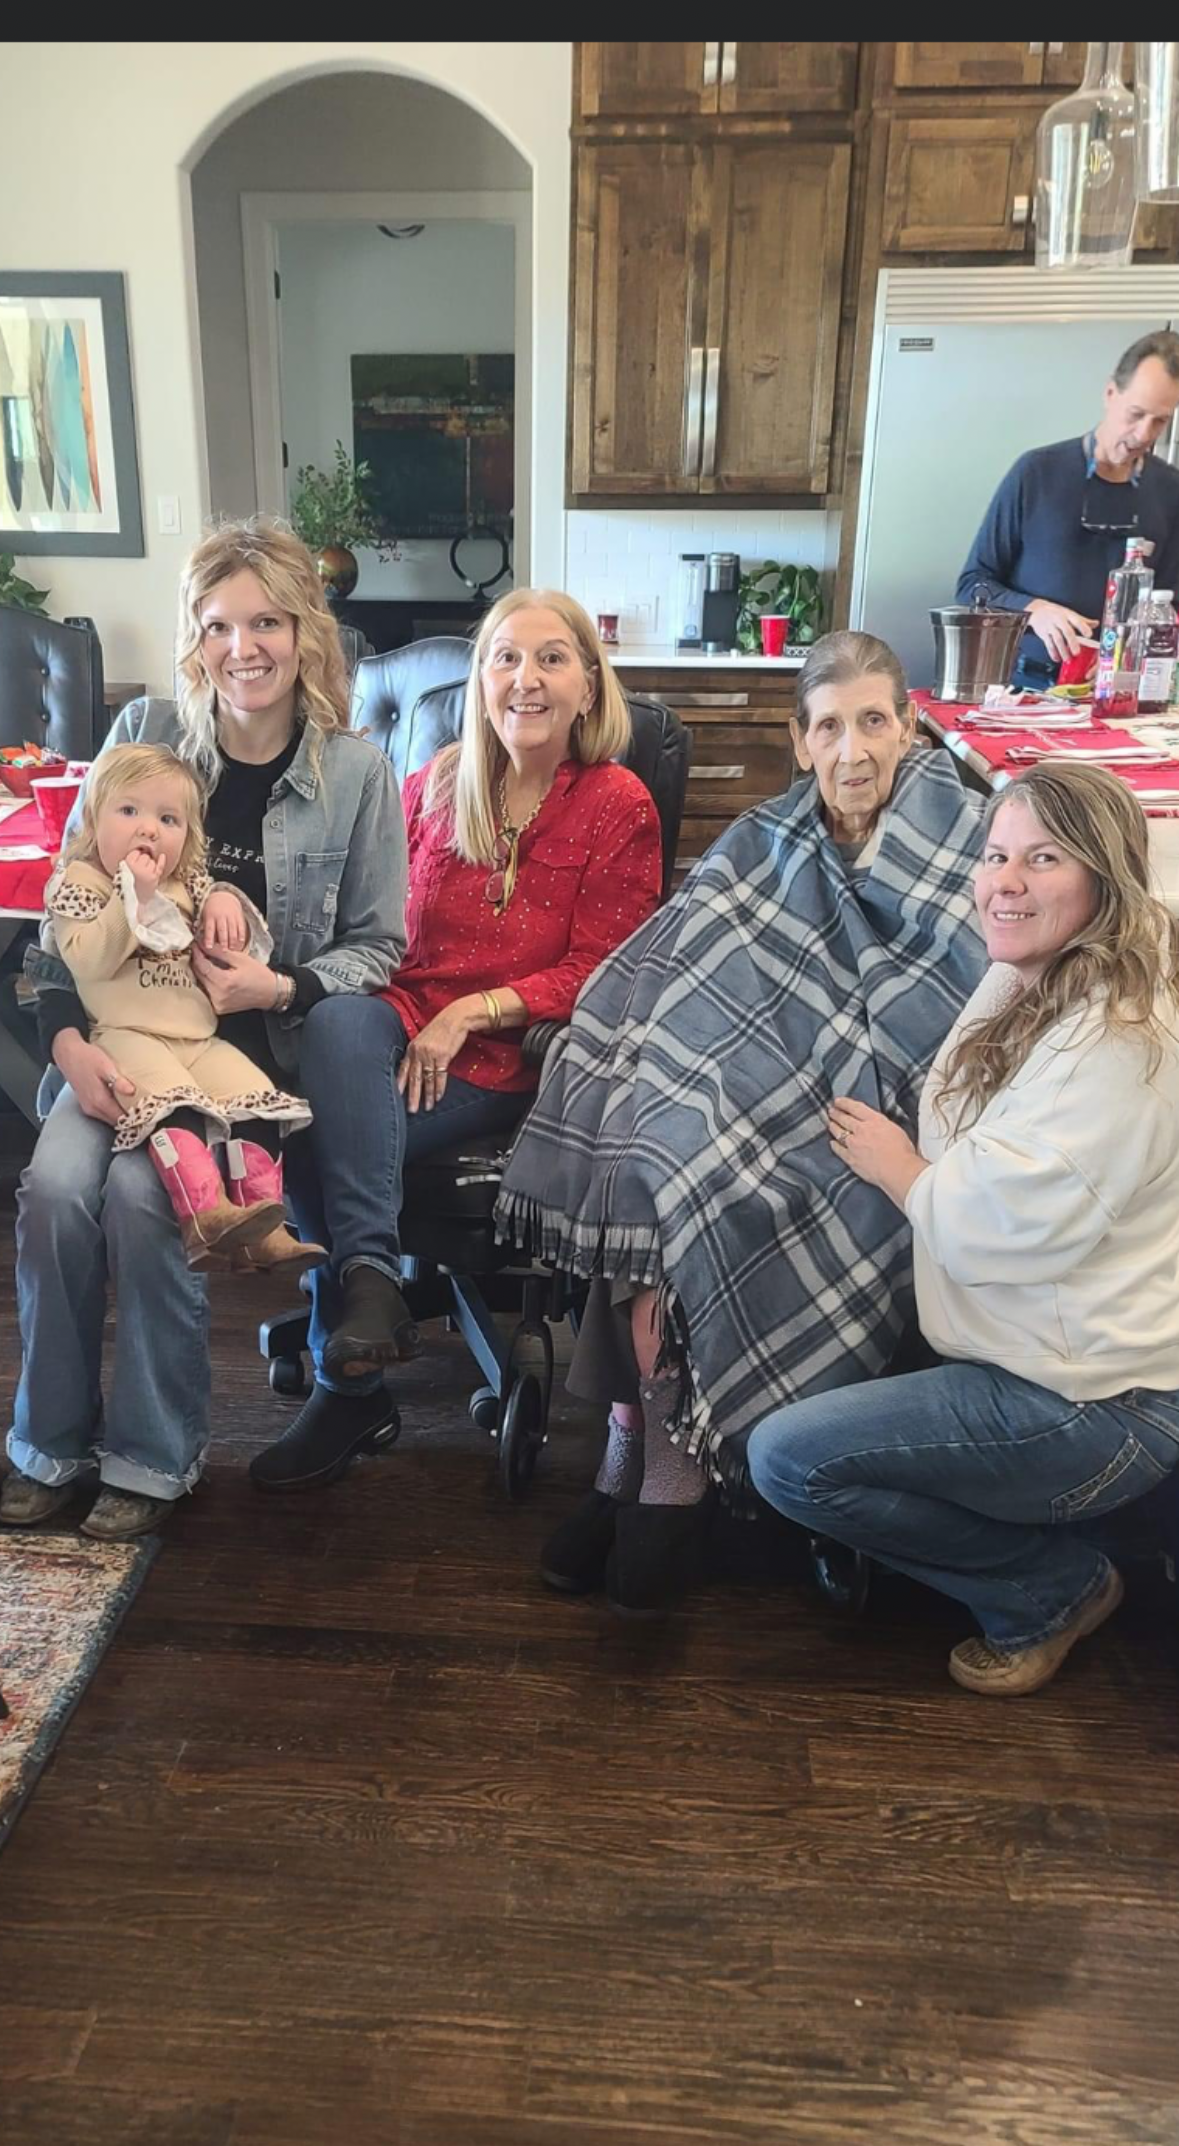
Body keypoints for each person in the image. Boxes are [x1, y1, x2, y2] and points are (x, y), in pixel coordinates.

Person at [496, 632, 988, 1618]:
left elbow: (955, 1005)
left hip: (877, 1112)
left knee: (707, 1187)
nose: (854, 751)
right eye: (829, 727)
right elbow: (673, 968)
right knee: (645, 1156)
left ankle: (672, 1470)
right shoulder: (767, 837)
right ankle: (630, 1453)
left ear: (910, 728)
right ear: (800, 744)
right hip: (748, 1080)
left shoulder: (966, 836)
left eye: (875, 722)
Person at [2, 518, 408, 1538]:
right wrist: (67, 1049)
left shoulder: (357, 773)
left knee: (143, 1201)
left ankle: (152, 1458)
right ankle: (48, 1446)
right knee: (54, 1190)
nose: (245, 648)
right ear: (194, 637)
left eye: (267, 620)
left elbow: (377, 947)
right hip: (104, 1046)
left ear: (303, 632)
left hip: (228, 1067)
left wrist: (277, 987)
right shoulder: (143, 728)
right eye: (220, 625)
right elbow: (67, 904)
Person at [747, 761, 1179, 1698]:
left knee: (787, 1459)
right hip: (1057, 1353)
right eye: (992, 855)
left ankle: (1050, 1588)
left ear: (1105, 880)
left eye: (1042, 859)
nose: (1002, 882)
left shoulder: (1114, 1048)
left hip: (1089, 1405)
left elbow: (991, 1224)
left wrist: (897, 1166)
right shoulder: (1052, 975)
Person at [238, 586, 664, 1490]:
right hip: (386, 1028)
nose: (525, 679)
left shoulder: (616, 802)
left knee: (318, 1138)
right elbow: (370, 931)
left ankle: (348, 1390)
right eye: (504, 658)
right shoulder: (430, 782)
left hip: (509, 1055)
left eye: (551, 658)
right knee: (336, 1017)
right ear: (479, 681)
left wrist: (471, 1011)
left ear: (588, 685)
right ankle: (368, 1280)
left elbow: (609, 968)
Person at [46, 742, 321, 1268]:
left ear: (188, 838)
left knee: (255, 1097)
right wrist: (133, 898)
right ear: (92, 820)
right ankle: (205, 1216)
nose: (148, 829)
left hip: (197, 1036)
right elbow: (89, 962)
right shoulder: (79, 883)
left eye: (167, 818)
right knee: (178, 1108)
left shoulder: (184, 884)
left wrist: (221, 896)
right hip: (127, 1037)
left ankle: (261, 1223)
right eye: (129, 811)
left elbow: (218, 914)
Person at [957, 328, 1179, 690]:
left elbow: (1172, 604)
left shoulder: (1171, 490)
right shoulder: (1036, 472)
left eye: (1160, 421)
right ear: (1110, 393)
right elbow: (973, 584)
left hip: (1120, 694)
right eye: (1135, 414)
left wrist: (1130, 655)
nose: (1143, 434)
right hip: (1022, 689)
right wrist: (1035, 611)